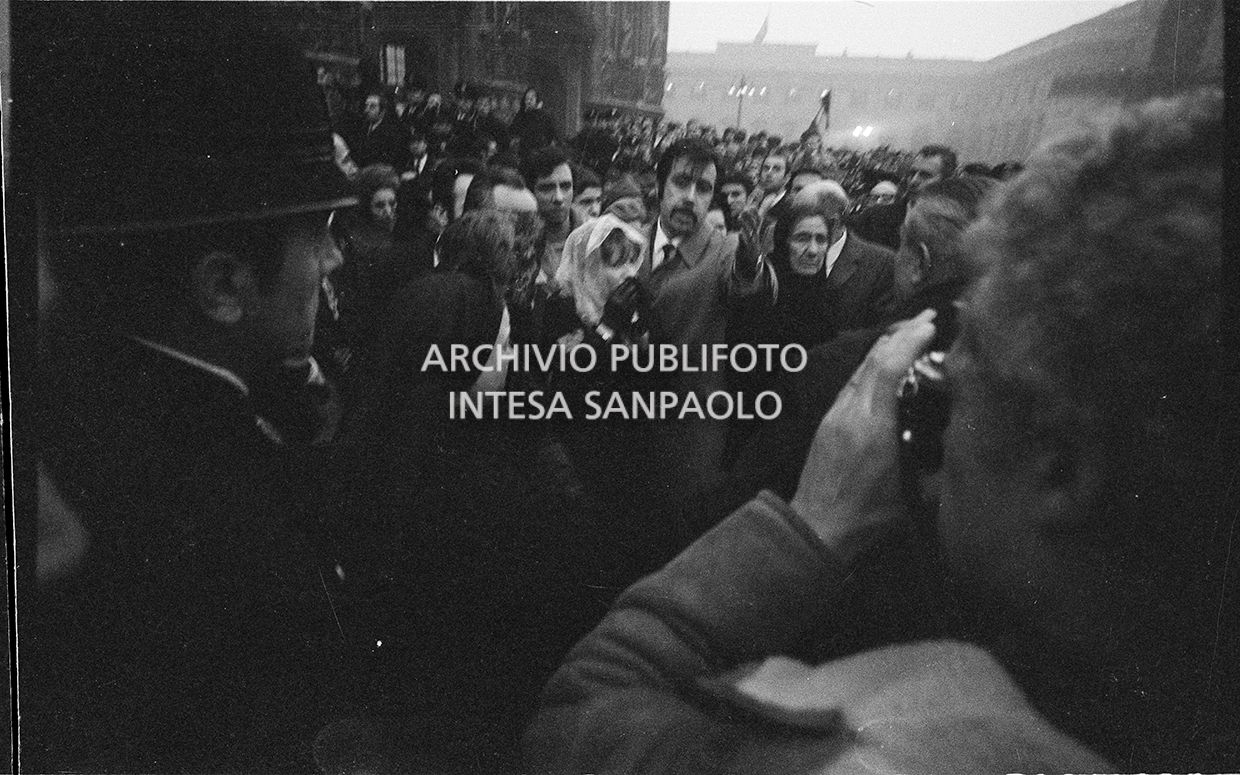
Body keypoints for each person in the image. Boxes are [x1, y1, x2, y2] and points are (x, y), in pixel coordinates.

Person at [524, 88, 1237, 774]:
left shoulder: (851, 752)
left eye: (973, 355)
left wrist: (809, 528)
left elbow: (582, 715)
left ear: (1062, 467)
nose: (941, 380)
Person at [25, 5, 435, 770]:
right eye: (318, 235)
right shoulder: (211, 530)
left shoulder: (77, 404)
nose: (335, 263)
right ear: (223, 285)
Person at [509, 86, 557, 156]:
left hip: (540, 152)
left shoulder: (544, 116)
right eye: (526, 99)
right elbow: (513, 130)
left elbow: (550, 134)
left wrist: (537, 112)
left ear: (537, 100)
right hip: (524, 152)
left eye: (531, 99)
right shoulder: (521, 115)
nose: (528, 101)